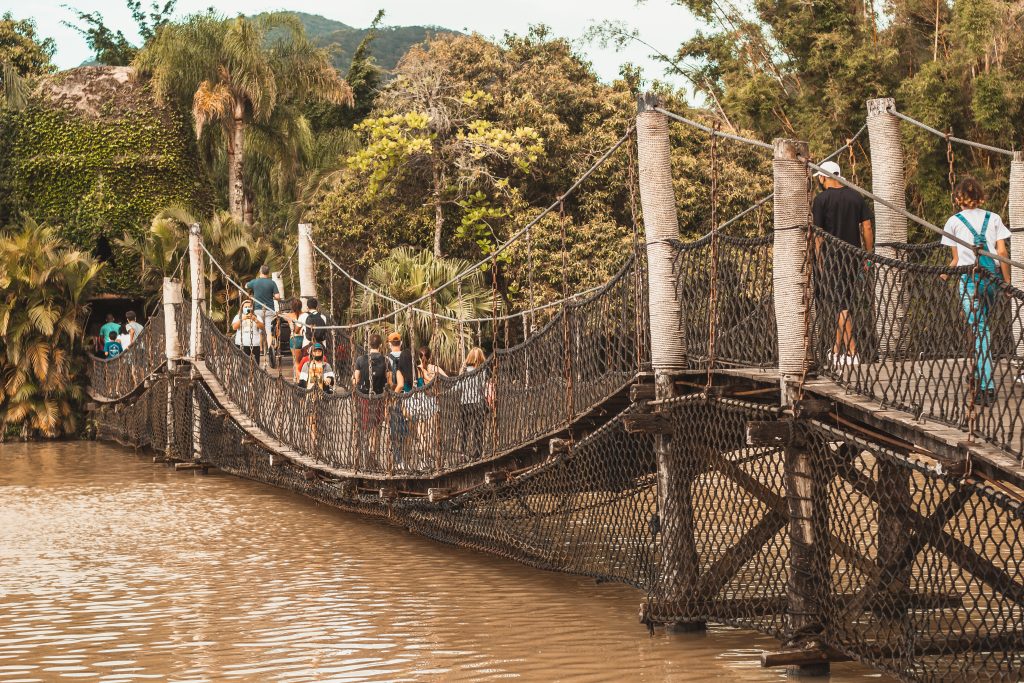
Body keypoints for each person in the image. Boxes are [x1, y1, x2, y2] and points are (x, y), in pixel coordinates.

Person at [941, 177, 1011, 406]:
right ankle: (983, 377)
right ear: (980, 197)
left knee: (980, 331)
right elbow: (1002, 254)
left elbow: (956, 259)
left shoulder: (953, 221)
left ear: (957, 198)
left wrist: (943, 274)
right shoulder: (994, 218)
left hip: (969, 280)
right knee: (983, 330)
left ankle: (987, 387)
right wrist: (1006, 284)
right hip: (992, 280)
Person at [812, 160, 874, 366]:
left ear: (823, 177)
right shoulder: (856, 197)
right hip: (853, 256)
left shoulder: (821, 200)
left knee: (841, 304)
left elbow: (818, 235)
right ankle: (837, 350)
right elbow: (867, 228)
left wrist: (820, 259)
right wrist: (867, 254)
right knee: (844, 301)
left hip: (833, 257)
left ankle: (853, 352)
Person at [352, 333, 388, 466]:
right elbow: (388, 380)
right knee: (375, 427)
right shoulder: (385, 360)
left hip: (363, 396)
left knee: (363, 425)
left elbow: (355, 379)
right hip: (378, 397)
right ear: (381, 345)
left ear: (368, 344)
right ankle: (372, 454)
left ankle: (362, 451)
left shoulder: (361, 360)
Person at [385, 332, 414, 466]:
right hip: (409, 396)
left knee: (395, 430)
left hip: (395, 397)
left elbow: (390, 381)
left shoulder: (387, 359)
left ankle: (398, 459)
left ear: (389, 344)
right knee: (406, 430)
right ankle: (407, 457)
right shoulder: (408, 357)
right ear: (401, 343)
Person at [458, 347, 491, 460]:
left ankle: (463, 453)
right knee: (478, 429)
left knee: (464, 429)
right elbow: (482, 387)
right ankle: (477, 453)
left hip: (464, 403)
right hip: (477, 402)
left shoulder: (464, 370)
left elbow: (458, 385)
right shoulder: (482, 370)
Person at [232, 298, 265, 364]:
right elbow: (234, 327)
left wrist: (255, 319)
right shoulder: (238, 316)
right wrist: (242, 319)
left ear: (252, 308)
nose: (247, 308)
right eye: (245, 307)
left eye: (249, 306)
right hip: (241, 344)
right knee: (243, 365)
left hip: (255, 344)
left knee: (255, 365)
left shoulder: (257, 317)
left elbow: (262, 327)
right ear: (242, 308)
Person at [285, 298, 305, 381]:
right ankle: (304, 379)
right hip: (304, 340)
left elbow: (280, 315)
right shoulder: (305, 315)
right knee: (303, 362)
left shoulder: (288, 316)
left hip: (294, 339)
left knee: (296, 362)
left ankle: (298, 380)